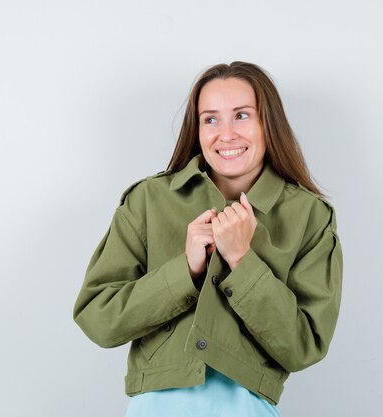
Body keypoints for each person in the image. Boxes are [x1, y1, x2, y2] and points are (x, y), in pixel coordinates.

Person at [73, 61, 343, 417]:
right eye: (211, 119)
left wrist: (243, 263)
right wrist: (185, 270)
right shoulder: (148, 201)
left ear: (268, 123)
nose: (226, 134)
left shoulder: (310, 217)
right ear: (197, 128)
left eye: (242, 116)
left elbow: (304, 345)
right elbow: (98, 317)